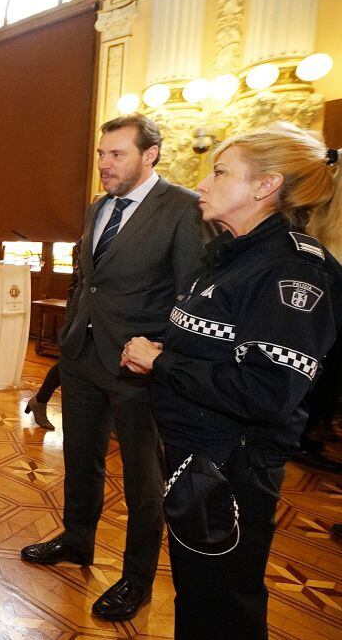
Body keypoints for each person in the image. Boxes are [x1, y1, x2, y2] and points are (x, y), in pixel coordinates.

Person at [122, 125, 341, 639]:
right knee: (198, 595)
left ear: (266, 185)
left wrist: (161, 364)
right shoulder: (232, 254)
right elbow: (215, 342)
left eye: (220, 172)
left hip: (230, 471)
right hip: (196, 459)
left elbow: (267, 391)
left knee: (224, 606)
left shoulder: (292, 270)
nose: (202, 182)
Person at [21, 114, 209, 622]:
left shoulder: (185, 209)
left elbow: (193, 294)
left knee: (143, 479)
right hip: (82, 358)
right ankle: (78, 540)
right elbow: (90, 278)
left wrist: (158, 348)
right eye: (102, 154)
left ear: (150, 155)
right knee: (81, 459)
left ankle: (136, 578)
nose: (104, 164)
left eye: (117, 154)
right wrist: (70, 332)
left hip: (136, 367)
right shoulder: (98, 207)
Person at [25, 243, 81, 431]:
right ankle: (40, 401)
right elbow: (81, 282)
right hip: (84, 310)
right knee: (70, 361)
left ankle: (39, 400)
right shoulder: (87, 240)